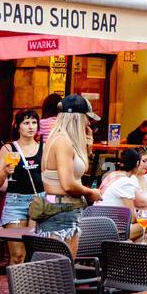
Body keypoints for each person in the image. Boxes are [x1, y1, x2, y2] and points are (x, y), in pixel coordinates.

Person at [36, 95, 101, 249]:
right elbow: (68, 184)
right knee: (62, 268)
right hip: (61, 207)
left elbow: (77, 171)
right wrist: (90, 192)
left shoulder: (62, 139)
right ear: (77, 118)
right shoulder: (62, 141)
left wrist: (87, 147)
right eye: (87, 118)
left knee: (61, 267)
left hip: (64, 207)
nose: (89, 122)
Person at [0, 109, 42, 264]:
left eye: (34, 123)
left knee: (35, 255)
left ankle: (35, 288)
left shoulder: (44, 148)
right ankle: (16, 288)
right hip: (15, 203)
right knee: (17, 255)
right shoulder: (8, 149)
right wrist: (5, 171)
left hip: (39, 201)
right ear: (17, 126)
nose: (31, 127)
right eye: (26, 123)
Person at [98, 147, 147, 239]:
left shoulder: (113, 176)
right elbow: (131, 218)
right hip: (111, 230)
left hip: (98, 226)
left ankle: (133, 251)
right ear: (137, 163)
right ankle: (132, 252)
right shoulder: (126, 182)